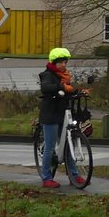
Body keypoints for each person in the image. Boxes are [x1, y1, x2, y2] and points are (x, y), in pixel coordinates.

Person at [38, 47, 86, 188]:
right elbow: (45, 88)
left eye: (65, 62)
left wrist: (79, 92)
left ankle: (74, 175)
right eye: (61, 62)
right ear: (54, 62)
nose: (64, 65)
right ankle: (46, 178)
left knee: (67, 144)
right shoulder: (48, 75)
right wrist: (61, 87)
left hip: (63, 114)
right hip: (50, 115)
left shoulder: (65, 76)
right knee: (50, 146)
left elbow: (67, 92)